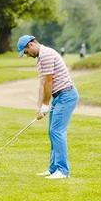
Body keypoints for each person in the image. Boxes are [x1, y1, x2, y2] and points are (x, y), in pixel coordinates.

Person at [17, 35, 79, 180]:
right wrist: (39, 107)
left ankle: (63, 171)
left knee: (56, 131)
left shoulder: (47, 55)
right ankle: (53, 169)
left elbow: (49, 83)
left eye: (26, 52)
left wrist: (46, 104)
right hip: (58, 97)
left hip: (66, 95)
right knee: (52, 132)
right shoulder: (39, 59)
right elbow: (42, 84)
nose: (26, 55)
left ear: (31, 44)